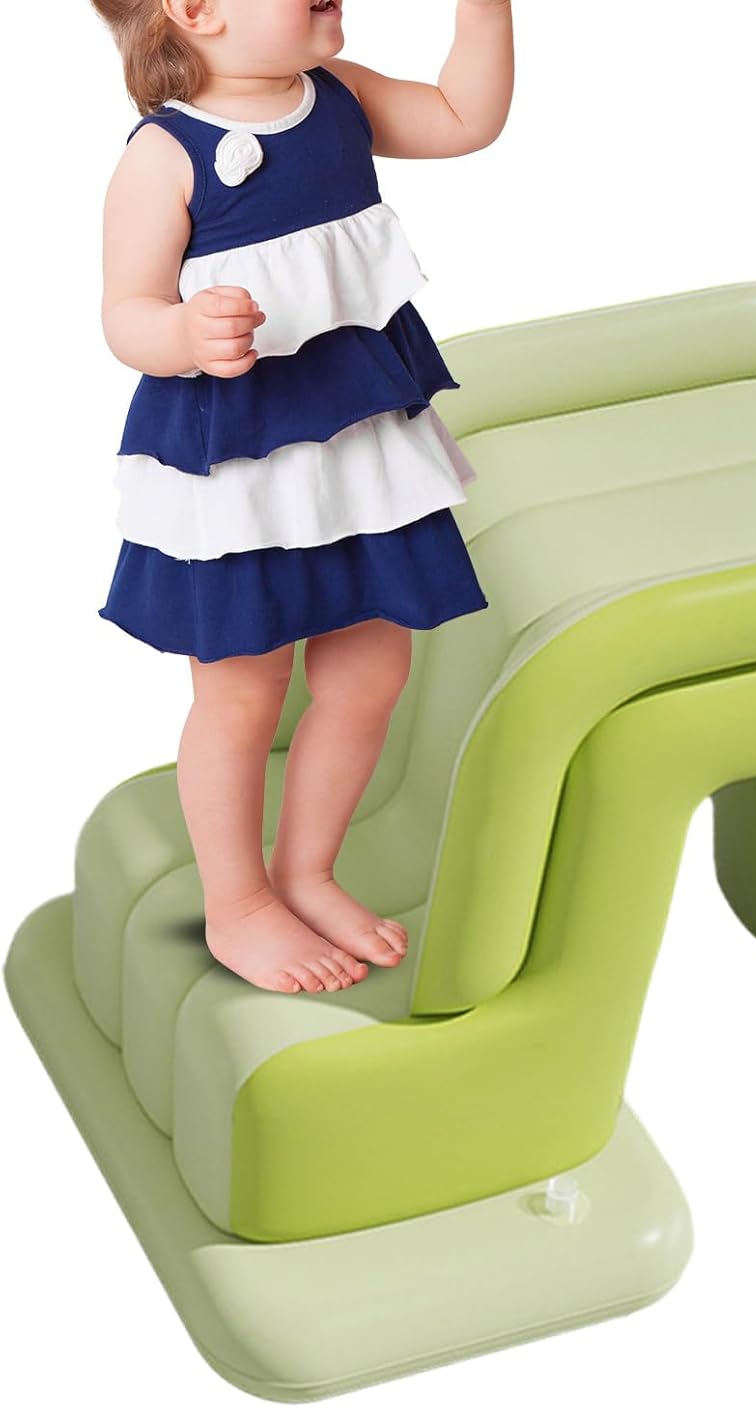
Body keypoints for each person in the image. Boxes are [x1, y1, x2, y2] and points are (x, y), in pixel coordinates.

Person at [88, 0, 516, 995]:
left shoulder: (341, 97)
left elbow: (464, 118)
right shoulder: (166, 156)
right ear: (197, 11)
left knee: (369, 675)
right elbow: (124, 312)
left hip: (359, 448)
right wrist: (182, 333)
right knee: (240, 695)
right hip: (240, 464)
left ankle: (307, 871)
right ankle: (237, 904)